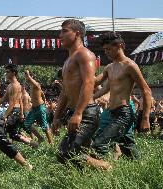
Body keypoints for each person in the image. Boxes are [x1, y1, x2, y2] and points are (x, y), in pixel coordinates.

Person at [51, 19, 105, 168]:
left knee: (67, 153)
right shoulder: (68, 60)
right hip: (75, 110)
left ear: (77, 33)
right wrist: (56, 116)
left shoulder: (85, 55)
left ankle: (106, 167)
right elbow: (65, 91)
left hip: (87, 112)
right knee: (72, 156)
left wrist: (78, 113)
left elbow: (89, 83)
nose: (60, 35)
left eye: (64, 31)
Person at [91, 32, 152, 164]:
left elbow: (146, 91)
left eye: (108, 49)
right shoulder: (110, 67)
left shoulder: (130, 65)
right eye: (105, 49)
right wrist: (90, 96)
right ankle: (140, 168)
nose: (106, 52)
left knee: (99, 144)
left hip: (124, 113)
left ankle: (101, 171)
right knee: (127, 146)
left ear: (119, 46)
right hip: (113, 112)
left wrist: (145, 119)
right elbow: (99, 85)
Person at [0, 64, 38, 148]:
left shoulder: (15, 86)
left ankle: (12, 148)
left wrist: (5, 116)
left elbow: (12, 103)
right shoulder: (10, 85)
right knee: (13, 133)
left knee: (5, 129)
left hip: (15, 110)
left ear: (13, 73)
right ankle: (32, 143)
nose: (6, 73)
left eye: (7, 72)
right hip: (15, 110)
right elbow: (3, 99)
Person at [23, 70, 53, 145]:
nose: (26, 78)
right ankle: (40, 138)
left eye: (28, 76)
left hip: (40, 108)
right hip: (34, 109)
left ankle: (51, 144)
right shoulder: (31, 86)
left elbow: (37, 87)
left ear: (31, 77)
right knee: (26, 124)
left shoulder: (36, 84)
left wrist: (28, 75)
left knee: (45, 127)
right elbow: (42, 93)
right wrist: (45, 100)